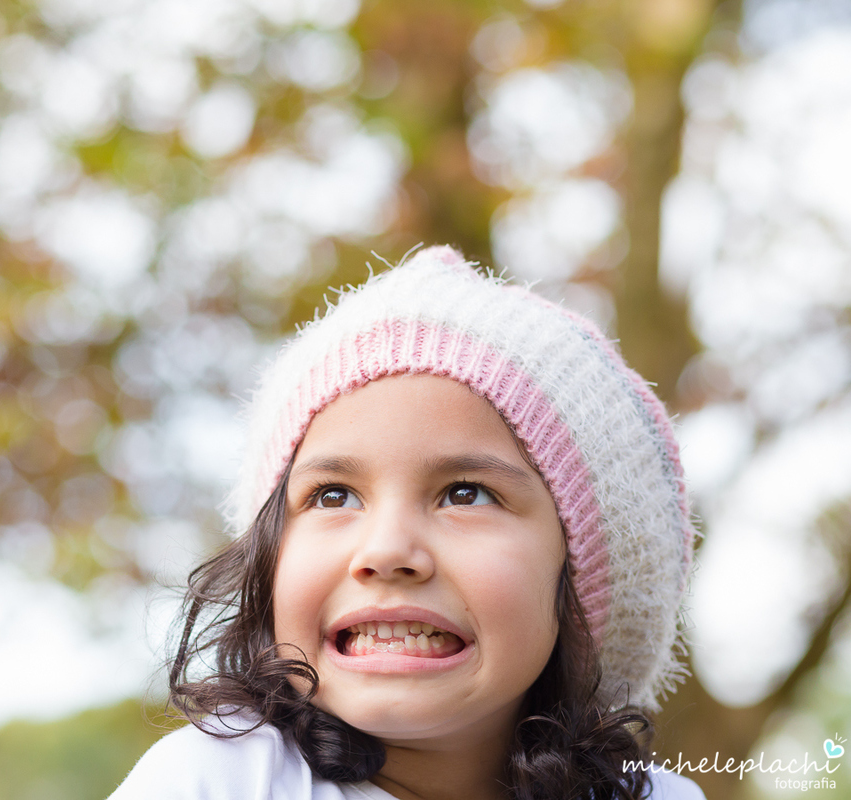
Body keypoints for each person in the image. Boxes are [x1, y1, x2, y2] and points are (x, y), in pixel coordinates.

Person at [111, 246, 705, 799]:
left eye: (466, 494)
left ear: (583, 577)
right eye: (334, 496)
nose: (387, 550)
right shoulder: (217, 782)